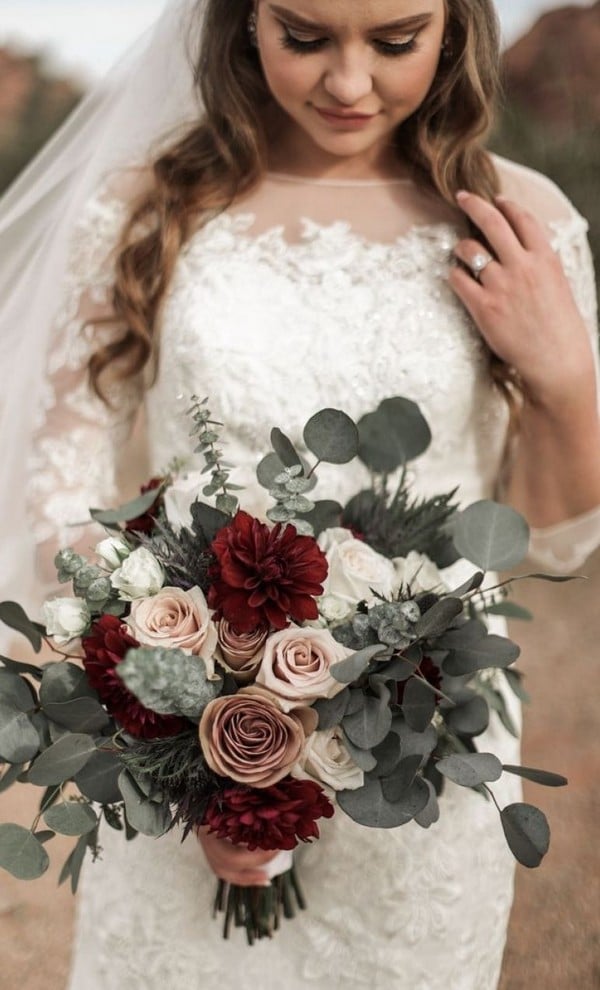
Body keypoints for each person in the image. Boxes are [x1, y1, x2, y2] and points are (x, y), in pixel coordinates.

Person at [0, 0, 599, 987]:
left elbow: (555, 541)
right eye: (306, 37)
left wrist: (565, 379)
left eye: (396, 40)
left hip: (427, 755)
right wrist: (184, 746)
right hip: (184, 746)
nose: (350, 83)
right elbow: (58, 501)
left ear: (455, 31)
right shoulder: (148, 207)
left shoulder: (519, 222)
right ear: (244, 24)